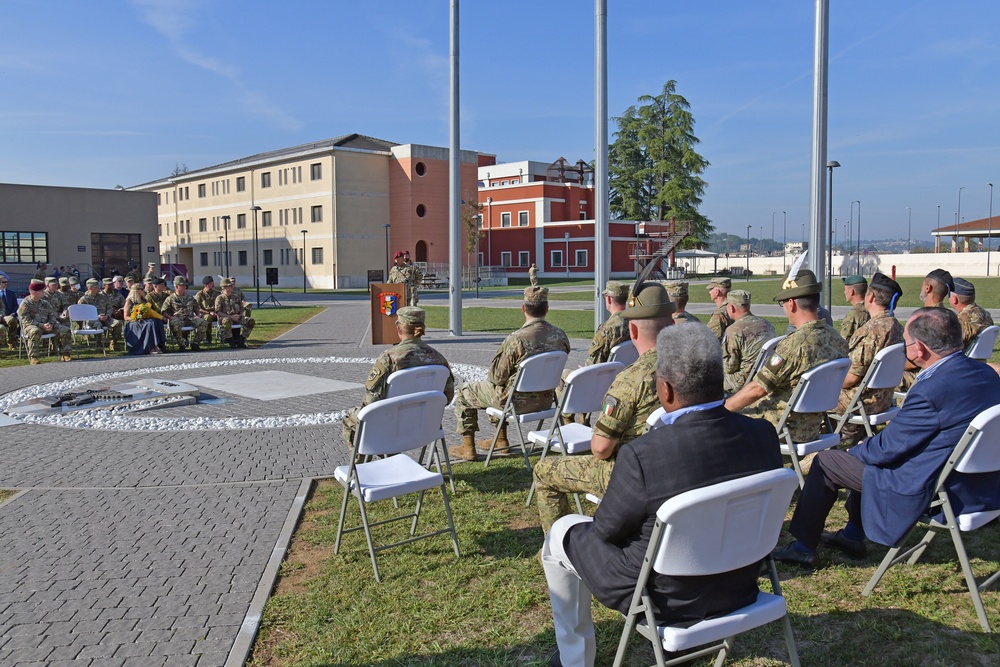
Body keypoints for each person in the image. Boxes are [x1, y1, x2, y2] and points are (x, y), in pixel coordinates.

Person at [540, 323, 783, 667]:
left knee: (562, 532)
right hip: (741, 584)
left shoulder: (646, 453)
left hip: (663, 599)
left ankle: (573, 659)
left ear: (665, 389)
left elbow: (606, 531)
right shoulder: (763, 434)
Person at [772, 307, 1000, 568]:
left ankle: (803, 548)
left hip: (929, 484)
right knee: (864, 456)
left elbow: (887, 449)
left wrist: (854, 451)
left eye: (905, 341)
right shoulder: (987, 375)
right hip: (976, 485)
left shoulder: (931, 390)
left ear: (920, 350)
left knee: (827, 463)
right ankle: (852, 536)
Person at [533, 282, 674, 532]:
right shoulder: (691, 365)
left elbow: (600, 449)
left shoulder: (632, 379)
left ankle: (556, 550)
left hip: (630, 475)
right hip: (674, 465)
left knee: (544, 471)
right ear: (672, 325)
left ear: (633, 330)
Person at [724, 268, 848, 442]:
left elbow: (758, 389)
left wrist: (723, 408)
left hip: (782, 426)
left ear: (791, 304)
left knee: (724, 417)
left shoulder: (794, 344)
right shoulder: (837, 339)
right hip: (813, 424)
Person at [450, 286, 571, 461]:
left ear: (523, 308)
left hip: (516, 403)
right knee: (499, 388)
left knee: (465, 390)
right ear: (546, 308)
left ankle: (468, 447)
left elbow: (497, 377)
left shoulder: (516, 339)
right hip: (545, 400)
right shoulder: (560, 336)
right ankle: (500, 440)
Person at [341, 306, 455, 444]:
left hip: (390, 423)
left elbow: (371, 402)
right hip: (424, 424)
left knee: (350, 417)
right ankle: (390, 456)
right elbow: (447, 398)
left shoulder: (390, 358)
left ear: (399, 329)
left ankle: (359, 463)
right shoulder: (439, 358)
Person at [834, 273, 904, 444]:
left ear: (871, 297)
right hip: (884, 399)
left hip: (863, 401)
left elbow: (851, 378)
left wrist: (827, 383)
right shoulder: (897, 327)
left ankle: (816, 446)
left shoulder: (870, 331)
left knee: (810, 394)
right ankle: (854, 435)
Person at [721, 290, 776, 394]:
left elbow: (730, 367)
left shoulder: (734, 330)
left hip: (744, 380)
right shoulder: (767, 324)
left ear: (731, 307)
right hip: (765, 375)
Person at [18, 281, 73, 364]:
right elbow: (25, 320)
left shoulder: (45, 303)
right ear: (34, 292)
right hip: (31, 326)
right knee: (35, 331)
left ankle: (66, 353)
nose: (44, 292)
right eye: (41, 291)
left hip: (47, 325)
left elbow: (52, 315)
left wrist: (50, 324)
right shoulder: (25, 304)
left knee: (65, 330)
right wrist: (41, 325)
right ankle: (34, 357)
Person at [161, 276, 208, 352]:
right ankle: (182, 345)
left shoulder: (190, 297)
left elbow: (197, 308)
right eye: (182, 285)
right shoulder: (171, 298)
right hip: (179, 319)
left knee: (203, 322)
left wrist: (198, 315)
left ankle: (195, 344)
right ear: (176, 286)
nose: (184, 287)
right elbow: (163, 311)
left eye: (185, 285)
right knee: (175, 323)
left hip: (190, 318)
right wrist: (171, 317)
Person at [77, 278, 123, 351]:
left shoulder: (103, 297)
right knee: (98, 324)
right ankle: (98, 343)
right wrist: (97, 317)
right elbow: (82, 313)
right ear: (90, 288)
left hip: (105, 317)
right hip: (91, 320)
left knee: (118, 323)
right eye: (96, 287)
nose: (99, 288)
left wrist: (107, 315)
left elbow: (109, 307)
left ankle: (114, 342)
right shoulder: (84, 299)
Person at [950, 277, 994, 349]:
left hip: (963, 358)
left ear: (954, 299)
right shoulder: (986, 314)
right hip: (980, 358)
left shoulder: (961, 320)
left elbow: (951, 345)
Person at [123, 283, 165, 355]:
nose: (144, 291)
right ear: (136, 291)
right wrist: (135, 318)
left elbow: (149, 311)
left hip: (144, 320)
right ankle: (151, 347)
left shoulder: (144, 301)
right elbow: (126, 317)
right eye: (142, 289)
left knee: (157, 321)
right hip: (133, 322)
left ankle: (158, 345)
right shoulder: (129, 301)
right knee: (150, 324)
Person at [215, 278, 254, 348]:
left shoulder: (236, 297)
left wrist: (239, 315)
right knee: (226, 321)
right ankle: (230, 340)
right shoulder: (219, 298)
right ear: (224, 288)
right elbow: (218, 312)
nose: (230, 289)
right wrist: (231, 317)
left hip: (237, 317)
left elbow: (242, 308)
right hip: (226, 318)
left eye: (231, 287)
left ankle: (241, 339)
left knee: (250, 321)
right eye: (228, 287)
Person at [840, 275, 871, 342]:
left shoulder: (853, 315)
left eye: (845, 290)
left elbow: (843, 343)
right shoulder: (871, 309)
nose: (844, 292)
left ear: (852, 291)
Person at [195, 276, 220, 344]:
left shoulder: (217, 293)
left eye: (213, 283)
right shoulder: (200, 294)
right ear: (205, 285)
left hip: (216, 314)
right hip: (205, 314)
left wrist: (217, 312)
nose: (212, 285)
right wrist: (209, 312)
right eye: (210, 283)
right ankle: (208, 336)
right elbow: (198, 308)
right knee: (208, 317)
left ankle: (228, 338)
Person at [0, 274, 19, 349]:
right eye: (4, 282)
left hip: (8, 316)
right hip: (1, 316)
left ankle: (11, 342)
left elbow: (15, 305)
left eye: (7, 282)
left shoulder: (11, 293)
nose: (6, 283)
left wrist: (13, 313)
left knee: (12, 320)